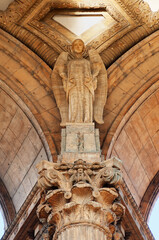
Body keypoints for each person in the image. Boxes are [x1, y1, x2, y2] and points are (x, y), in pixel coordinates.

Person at [60, 39, 97, 123]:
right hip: (73, 86)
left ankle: (86, 120)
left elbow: (90, 77)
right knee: (74, 103)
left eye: (80, 45)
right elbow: (68, 76)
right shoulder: (70, 63)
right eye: (75, 45)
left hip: (85, 86)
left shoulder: (87, 62)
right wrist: (65, 79)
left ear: (83, 48)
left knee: (86, 103)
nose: (78, 46)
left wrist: (92, 79)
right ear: (72, 48)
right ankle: (74, 120)